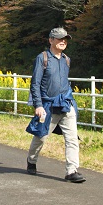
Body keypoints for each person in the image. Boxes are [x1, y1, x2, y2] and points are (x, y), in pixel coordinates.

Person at [26, 27, 86, 183]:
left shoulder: (67, 59)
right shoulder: (43, 58)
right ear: (51, 40)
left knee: (72, 138)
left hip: (66, 104)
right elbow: (35, 83)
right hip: (48, 105)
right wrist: (38, 105)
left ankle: (71, 171)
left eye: (65, 39)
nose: (63, 41)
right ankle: (31, 161)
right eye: (59, 38)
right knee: (41, 137)